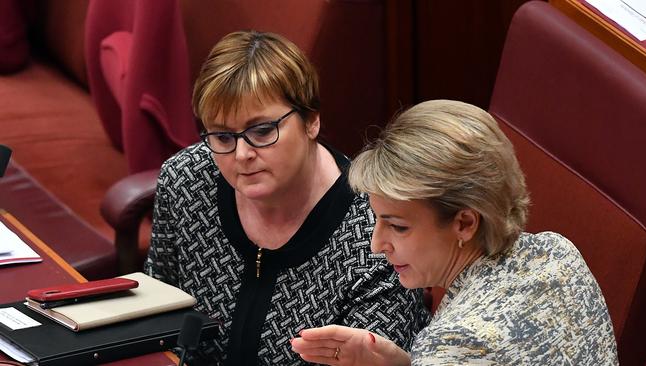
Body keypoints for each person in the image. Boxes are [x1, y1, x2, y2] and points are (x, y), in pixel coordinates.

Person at [144, 30, 431, 365]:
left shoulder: (376, 229)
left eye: (262, 131)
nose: (241, 154)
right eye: (222, 136)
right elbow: (153, 321)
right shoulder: (186, 180)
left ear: (311, 120)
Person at [290, 100, 618, 365]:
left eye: (398, 226)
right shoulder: (559, 252)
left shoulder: (454, 344)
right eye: (377, 220)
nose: (377, 245)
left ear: (464, 223)